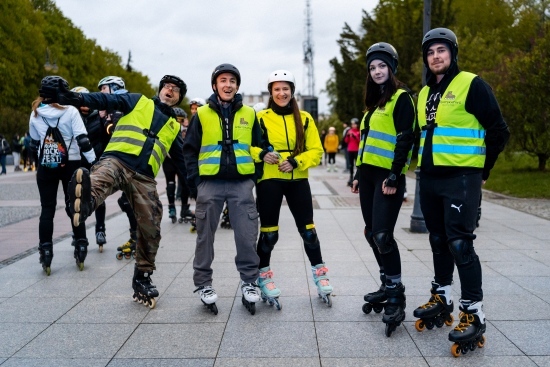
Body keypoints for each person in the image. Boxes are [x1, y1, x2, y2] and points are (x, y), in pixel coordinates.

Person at [39, 74, 189, 309]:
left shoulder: (174, 126)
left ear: (179, 98)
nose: (170, 90)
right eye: (167, 87)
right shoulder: (138, 101)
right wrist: (73, 98)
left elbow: (183, 162)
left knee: (152, 222)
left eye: (176, 90)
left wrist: (201, 187)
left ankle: (142, 277)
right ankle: (84, 200)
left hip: (144, 178)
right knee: (100, 178)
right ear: (159, 90)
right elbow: (105, 100)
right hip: (117, 160)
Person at [413, 28, 510, 356]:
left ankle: (473, 311)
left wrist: (484, 169)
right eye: (430, 52)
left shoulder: (472, 84)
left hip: (461, 179)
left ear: (452, 53)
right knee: (438, 239)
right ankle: (442, 295)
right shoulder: (425, 92)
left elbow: (498, 130)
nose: (436, 56)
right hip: (430, 178)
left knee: (459, 243)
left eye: (441, 50)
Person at [182, 63, 263, 315]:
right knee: (205, 237)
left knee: (247, 236)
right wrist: (196, 182)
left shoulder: (249, 114)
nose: (228, 85)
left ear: (237, 85)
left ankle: (249, 282)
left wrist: (254, 178)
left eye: (232, 81)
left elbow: (260, 147)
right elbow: (190, 150)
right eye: (223, 80)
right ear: (215, 85)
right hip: (210, 184)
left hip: (241, 184)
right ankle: (203, 284)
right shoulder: (202, 114)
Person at [351, 42, 415, 337]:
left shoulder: (402, 98)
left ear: (392, 68)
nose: (377, 71)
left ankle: (396, 293)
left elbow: (405, 139)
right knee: (369, 232)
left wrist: (395, 175)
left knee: (382, 235)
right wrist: (356, 174)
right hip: (367, 176)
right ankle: (386, 281)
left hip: (388, 178)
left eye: (381, 66)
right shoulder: (373, 104)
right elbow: (366, 142)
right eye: (372, 67)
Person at [255, 69, 332, 309]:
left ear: (292, 92)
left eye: (285, 88)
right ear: (271, 92)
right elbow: (247, 146)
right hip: (269, 179)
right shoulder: (261, 118)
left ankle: (320, 275)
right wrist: (262, 154)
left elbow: (316, 151)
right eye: (276, 89)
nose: (281, 93)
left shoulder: (306, 118)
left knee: (308, 232)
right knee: (269, 234)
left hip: (298, 178)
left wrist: (297, 161)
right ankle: (263, 277)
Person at [29, 76, 97, 275]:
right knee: (75, 205)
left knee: (47, 209)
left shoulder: (35, 113)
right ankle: (81, 246)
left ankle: (46, 251)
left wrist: (39, 164)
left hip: (46, 165)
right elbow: (83, 140)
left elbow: (34, 144)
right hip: (72, 164)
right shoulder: (71, 111)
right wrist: (94, 162)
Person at [71, 86, 109, 252]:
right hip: (77, 162)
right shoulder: (71, 117)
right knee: (76, 197)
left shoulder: (98, 117)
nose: (84, 105)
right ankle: (78, 232)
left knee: (98, 195)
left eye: (87, 100)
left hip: (96, 160)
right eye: (81, 101)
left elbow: (108, 136)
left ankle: (100, 229)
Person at [161, 107, 193, 225]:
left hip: (178, 158)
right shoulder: (168, 127)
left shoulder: (186, 129)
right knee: (171, 183)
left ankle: (183, 208)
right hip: (170, 158)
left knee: (183, 183)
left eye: (181, 120)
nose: (179, 123)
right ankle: (172, 207)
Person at [344, 118, 360, 187]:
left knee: (357, 165)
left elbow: (359, 141)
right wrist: (347, 136)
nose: (353, 126)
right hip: (350, 150)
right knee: (350, 165)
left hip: (356, 150)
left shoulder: (358, 132)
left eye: (354, 124)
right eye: (352, 124)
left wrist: (354, 136)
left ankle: (357, 178)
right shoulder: (349, 131)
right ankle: (351, 177)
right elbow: (346, 141)